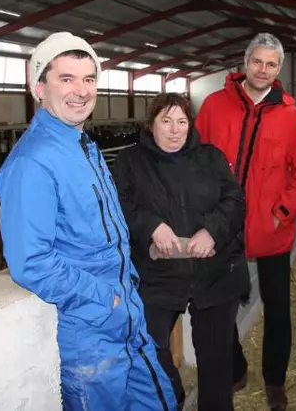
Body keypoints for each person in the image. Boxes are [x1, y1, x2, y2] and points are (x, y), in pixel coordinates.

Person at [0, 32, 177, 411]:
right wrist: (107, 300)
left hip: (126, 318)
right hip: (91, 336)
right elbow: (31, 261)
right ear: (38, 87)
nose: (80, 91)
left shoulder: (84, 147)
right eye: (66, 78)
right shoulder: (33, 162)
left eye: (89, 79)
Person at [195, 33, 296, 411]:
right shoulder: (215, 105)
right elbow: (195, 159)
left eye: (271, 64)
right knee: (219, 305)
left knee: (279, 309)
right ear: (244, 63)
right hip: (224, 228)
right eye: (257, 62)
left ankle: (275, 380)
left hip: (271, 231)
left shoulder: (289, 113)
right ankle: (236, 369)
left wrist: (282, 213)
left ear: (278, 69)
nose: (263, 70)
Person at [114, 93, 250, 411]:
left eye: (182, 121)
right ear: (151, 125)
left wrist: (211, 231)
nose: (175, 130)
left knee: (215, 359)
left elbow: (235, 200)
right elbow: (119, 204)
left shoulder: (211, 157)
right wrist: (151, 226)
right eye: (166, 121)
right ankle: (170, 396)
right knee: (148, 342)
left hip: (214, 271)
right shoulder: (130, 161)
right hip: (157, 273)